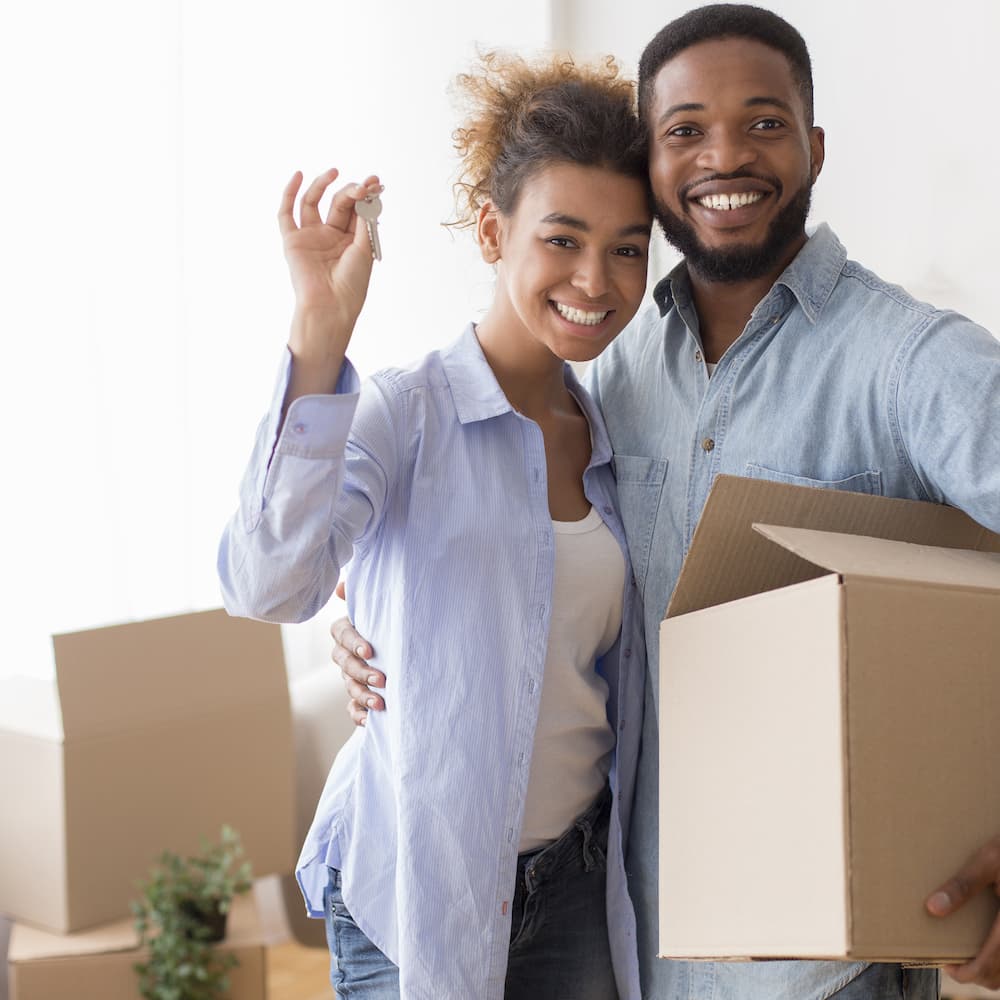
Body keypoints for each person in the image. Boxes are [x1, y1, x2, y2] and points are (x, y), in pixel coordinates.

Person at [331, 6, 1000, 999]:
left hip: (827, 967)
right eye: (684, 129)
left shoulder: (917, 363)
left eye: (764, 122)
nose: (724, 154)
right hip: (637, 948)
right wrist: (358, 613)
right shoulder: (613, 373)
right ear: (651, 162)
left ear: (813, 148)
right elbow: (534, 558)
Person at [218, 52, 655, 1000]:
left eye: (627, 246)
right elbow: (269, 585)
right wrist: (318, 333)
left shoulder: (621, 431)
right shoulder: (401, 414)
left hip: (578, 887)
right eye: (564, 238)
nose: (597, 278)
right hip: (415, 892)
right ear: (494, 231)